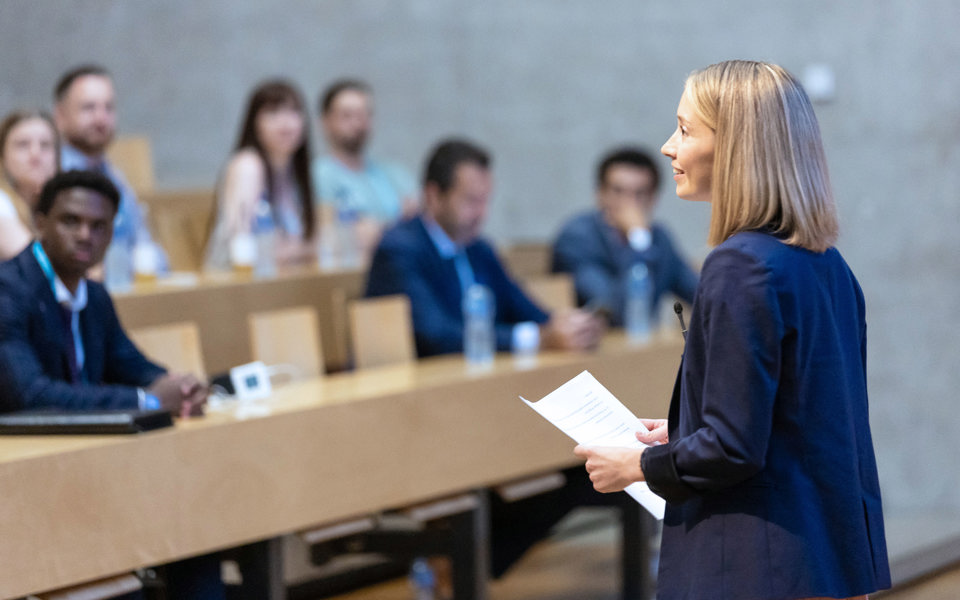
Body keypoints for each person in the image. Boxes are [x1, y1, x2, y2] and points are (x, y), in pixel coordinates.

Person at [574, 60, 891, 600]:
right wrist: (687, 428)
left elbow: (732, 449)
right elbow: (799, 423)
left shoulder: (739, 265)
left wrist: (638, 464)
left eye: (686, 129)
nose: (668, 146)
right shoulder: (828, 265)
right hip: (827, 557)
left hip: (756, 564)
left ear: (738, 148)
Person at [0, 169, 223, 598]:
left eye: (99, 226)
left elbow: (132, 364)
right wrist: (146, 399)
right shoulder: (9, 290)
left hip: (91, 470)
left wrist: (176, 385)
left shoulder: (95, 296)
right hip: (24, 483)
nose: (85, 235)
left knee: (199, 533)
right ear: (40, 221)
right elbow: (29, 394)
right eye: (71, 221)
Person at [366, 138, 604, 357]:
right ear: (433, 196)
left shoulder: (479, 248)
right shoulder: (399, 250)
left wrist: (570, 326)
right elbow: (437, 336)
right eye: (471, 201)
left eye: (485, 200)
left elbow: (522, 308)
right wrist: (535, 339)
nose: (482, 214)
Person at [551, 146, 698, 325]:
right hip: (594, 349)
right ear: (600, 194)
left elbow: (699, 295)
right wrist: (638, 239)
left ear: (653, 199)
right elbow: (619, 314)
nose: (628, 203)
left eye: (639, 194)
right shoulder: (578, 237)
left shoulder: (659, 238)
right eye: (618, 191)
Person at [53, 64, 166, 266]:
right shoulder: (52, 175)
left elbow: (144, 245)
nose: (101, 119)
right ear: (60, 116)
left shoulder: (115, 176)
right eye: (89, 108)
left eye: (108, 108)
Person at [205, 79, 317, 271]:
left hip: (282, 280)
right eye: (273, 113)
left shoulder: (294, 172)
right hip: (237, 283)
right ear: (254, 124)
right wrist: (302, 250)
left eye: (294, 112)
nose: (286, 123)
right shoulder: (247, 165)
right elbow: (240, 245)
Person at [313, 78, 418, 257]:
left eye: (364, 115)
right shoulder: (319, 174)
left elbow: (422, 227)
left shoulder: (393, 174)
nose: (357, 124)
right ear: (325, 121)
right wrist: (397, 226)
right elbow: (330, 238)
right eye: (347, 115)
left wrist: (374, 229)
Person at [0, 110, 59, 260]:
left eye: (45, 145)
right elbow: (38, 266)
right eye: (23, 145)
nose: (35, 154)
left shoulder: (55, 205)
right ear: (3, 156)